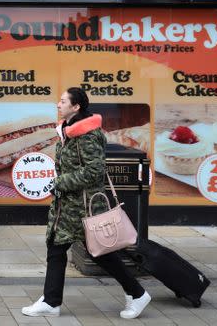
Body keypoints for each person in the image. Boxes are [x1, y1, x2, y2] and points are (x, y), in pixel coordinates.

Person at [21, 87, 151, 319]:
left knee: (100, 253)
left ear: (76, 106)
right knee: (56, 248)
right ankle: (51, 302)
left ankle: (138, 293)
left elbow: (95, 171)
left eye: (63, 101)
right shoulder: (68, 131)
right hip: (68, 206)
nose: (58, 104)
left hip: (84, 206)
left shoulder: (87, 135)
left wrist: (60, 182)